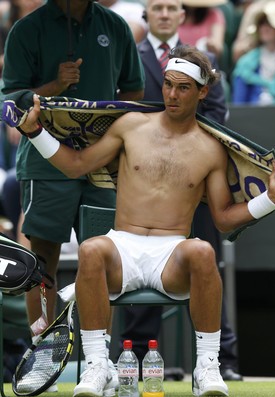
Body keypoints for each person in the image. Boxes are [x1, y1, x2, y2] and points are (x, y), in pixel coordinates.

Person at [19, 44, 275, 397]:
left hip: (171, 255)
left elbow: (224, 220)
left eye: (182, 87)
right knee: (90, 249)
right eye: (167, 84)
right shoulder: (131, 126)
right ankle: (98, 366)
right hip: (123, 245)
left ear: (202, 92)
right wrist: (34, 132)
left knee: (204, 252)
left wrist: (270, 200)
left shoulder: (211, 149)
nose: (171, 94)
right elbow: (75, 164)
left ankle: (207, 369)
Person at [1, 0, 144, 391]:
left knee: (104, 255)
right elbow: (8, 101)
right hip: (46, 162)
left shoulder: (114, 26)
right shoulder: (27, 30)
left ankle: (100, 361)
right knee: (40, 258)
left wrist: (110, 130)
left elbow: (133, 87)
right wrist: (54, 88)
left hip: (102, 162)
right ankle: (42, 356)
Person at [120, 0, 242, 381]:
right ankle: (138, 360)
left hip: (198, 186)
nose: (164, 13)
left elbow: (218, 116)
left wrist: (187, 156)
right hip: (147, 185)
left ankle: (222, 362)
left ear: (181, 15)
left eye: (172, 7)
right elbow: (124, 110)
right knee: (139, 267)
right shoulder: (131, 56)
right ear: (147, 15)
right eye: (157, 7)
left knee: (210, 269)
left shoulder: (204, 60)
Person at [232, 1, 275, 105]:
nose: (265, 28)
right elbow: (239, 105)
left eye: (270, 23)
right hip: (253, 119)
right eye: (261, 23)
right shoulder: (245, 63)